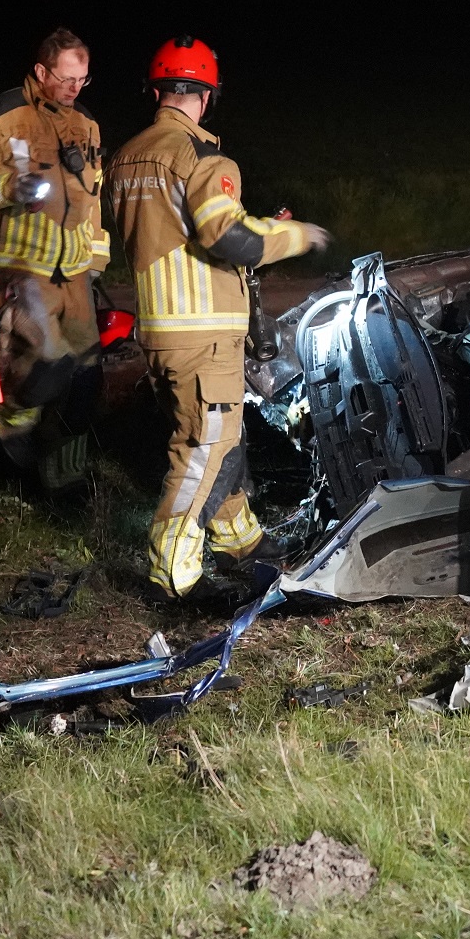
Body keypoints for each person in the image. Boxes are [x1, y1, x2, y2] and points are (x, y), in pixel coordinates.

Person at [106, 36, 328, 599]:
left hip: (160, 328)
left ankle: (238, 538)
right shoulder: (204, 158)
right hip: (202, 329)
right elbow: (227, 237)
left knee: (216, 436)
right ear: (206, 97)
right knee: (205, 447)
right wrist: (294, 235)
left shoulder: (125, 157)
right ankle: (172, 571)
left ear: (156, 92)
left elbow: (169, 230)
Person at [0, 28, 109, 487]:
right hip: (20, 268)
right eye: (66, 78)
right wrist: (7, 187)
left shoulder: (86, 123)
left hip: (74, 272)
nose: (74, 88)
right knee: (44, 367)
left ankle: (65, 477)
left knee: (86, 377)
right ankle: (6, 439)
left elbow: (93, 195)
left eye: (82, 79)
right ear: (41, 71)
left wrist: (96, 260)